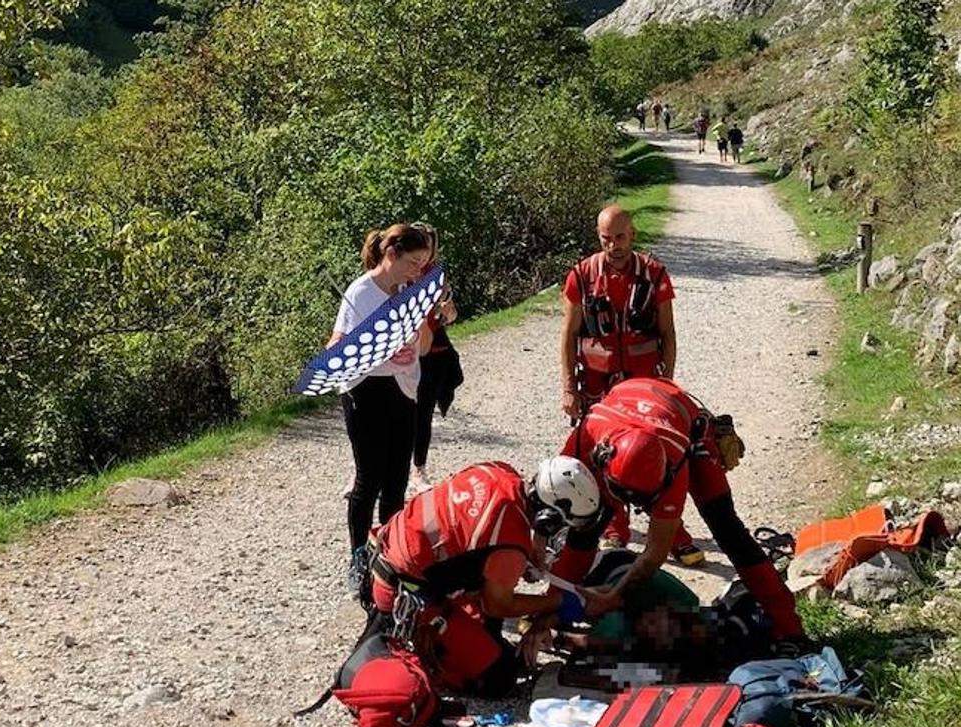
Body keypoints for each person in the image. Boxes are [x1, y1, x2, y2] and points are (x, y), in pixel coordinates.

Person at [548, 377, 807, 653]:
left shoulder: (674, 461)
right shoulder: (585, 438)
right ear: (601, 460)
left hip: (682, 424)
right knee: (585, 526)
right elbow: (556, 507)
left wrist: (614, 596)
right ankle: (549, 613)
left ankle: (789, 628)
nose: (637, 506)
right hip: (628, 413)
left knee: (728, 530)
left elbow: (655, 552)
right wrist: (547, 606)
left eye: (646, 499)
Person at [366, 457, 601, 696]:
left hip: (389, 551)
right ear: (549, 519)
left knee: (492, 630)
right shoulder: (509, 545)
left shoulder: (499, 470)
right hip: (405, 595)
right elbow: (498, 606)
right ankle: (431, 661)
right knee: (501, 676)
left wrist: (533, 553)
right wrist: (557, 601)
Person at [559, 205, 702, 567]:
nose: (614, 246)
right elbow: (569, 334)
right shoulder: (581, 274)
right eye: (606, 239)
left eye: (620, 237)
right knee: (602, 457)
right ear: (598, 237)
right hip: (597, 384)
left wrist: (666, 384)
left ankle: (672, 533)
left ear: (632, 234)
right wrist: (568, 388)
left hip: (644, 386)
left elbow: (668, 333)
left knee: (651, 457)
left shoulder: (654, 274)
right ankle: (614, 530)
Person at [331, 224, 435, 567]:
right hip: (366, 391)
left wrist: (414, 338)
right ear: (391, 255)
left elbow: (426, 344)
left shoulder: (408, 290)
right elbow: (335, 348)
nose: (419, 271)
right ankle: (358, 557)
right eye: (414, 262)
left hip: (403, 389)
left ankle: (391, 554)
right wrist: (376, 348)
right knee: (370, 477)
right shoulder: (360, 293)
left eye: (423, 264)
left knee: (397, 479)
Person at [409, 223, 462, 494]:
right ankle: (368, 470)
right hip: (403, 353)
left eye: (428, 246)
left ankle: (419, 469)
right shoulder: (401, 273)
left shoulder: (437, 277)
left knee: (423, 412)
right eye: (419, 245)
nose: (424, 253)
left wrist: (445, 313)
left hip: (432, 354)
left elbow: (449, 318)